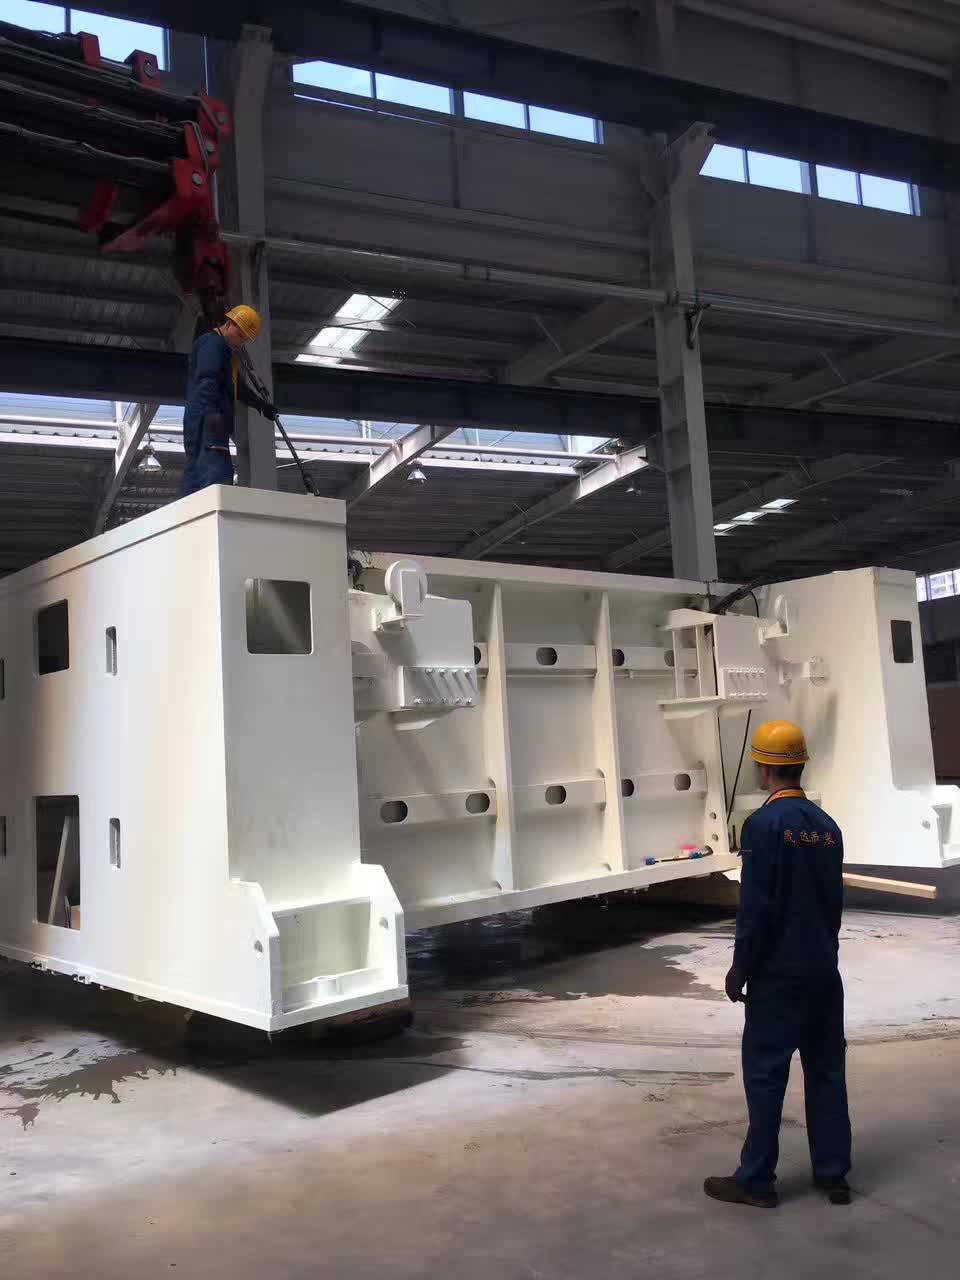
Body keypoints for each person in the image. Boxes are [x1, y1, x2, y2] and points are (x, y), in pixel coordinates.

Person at [704, 719, 852, 1210]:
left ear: (762, 768)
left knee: (766, 1073)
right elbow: (832, 907)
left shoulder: (763, 826)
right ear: (801, 764)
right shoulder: (828, 828)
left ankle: (755, 1180)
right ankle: (833, 1174)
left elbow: (757, 909)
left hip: (778, 976)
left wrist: (740, 969)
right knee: (826, 1070)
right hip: (823, 972)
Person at [180, 304, 276, 497]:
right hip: (208, 418)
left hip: (204, 418)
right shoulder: (212, 343)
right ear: (230, 323)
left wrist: (261, 405)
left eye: (245, 339)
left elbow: (236, 387)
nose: (241, 342)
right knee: (216, 473)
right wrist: (211, 413)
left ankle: (190, 505)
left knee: (197, 470)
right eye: (240, 335)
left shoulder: (223, 351)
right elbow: (207, 379)